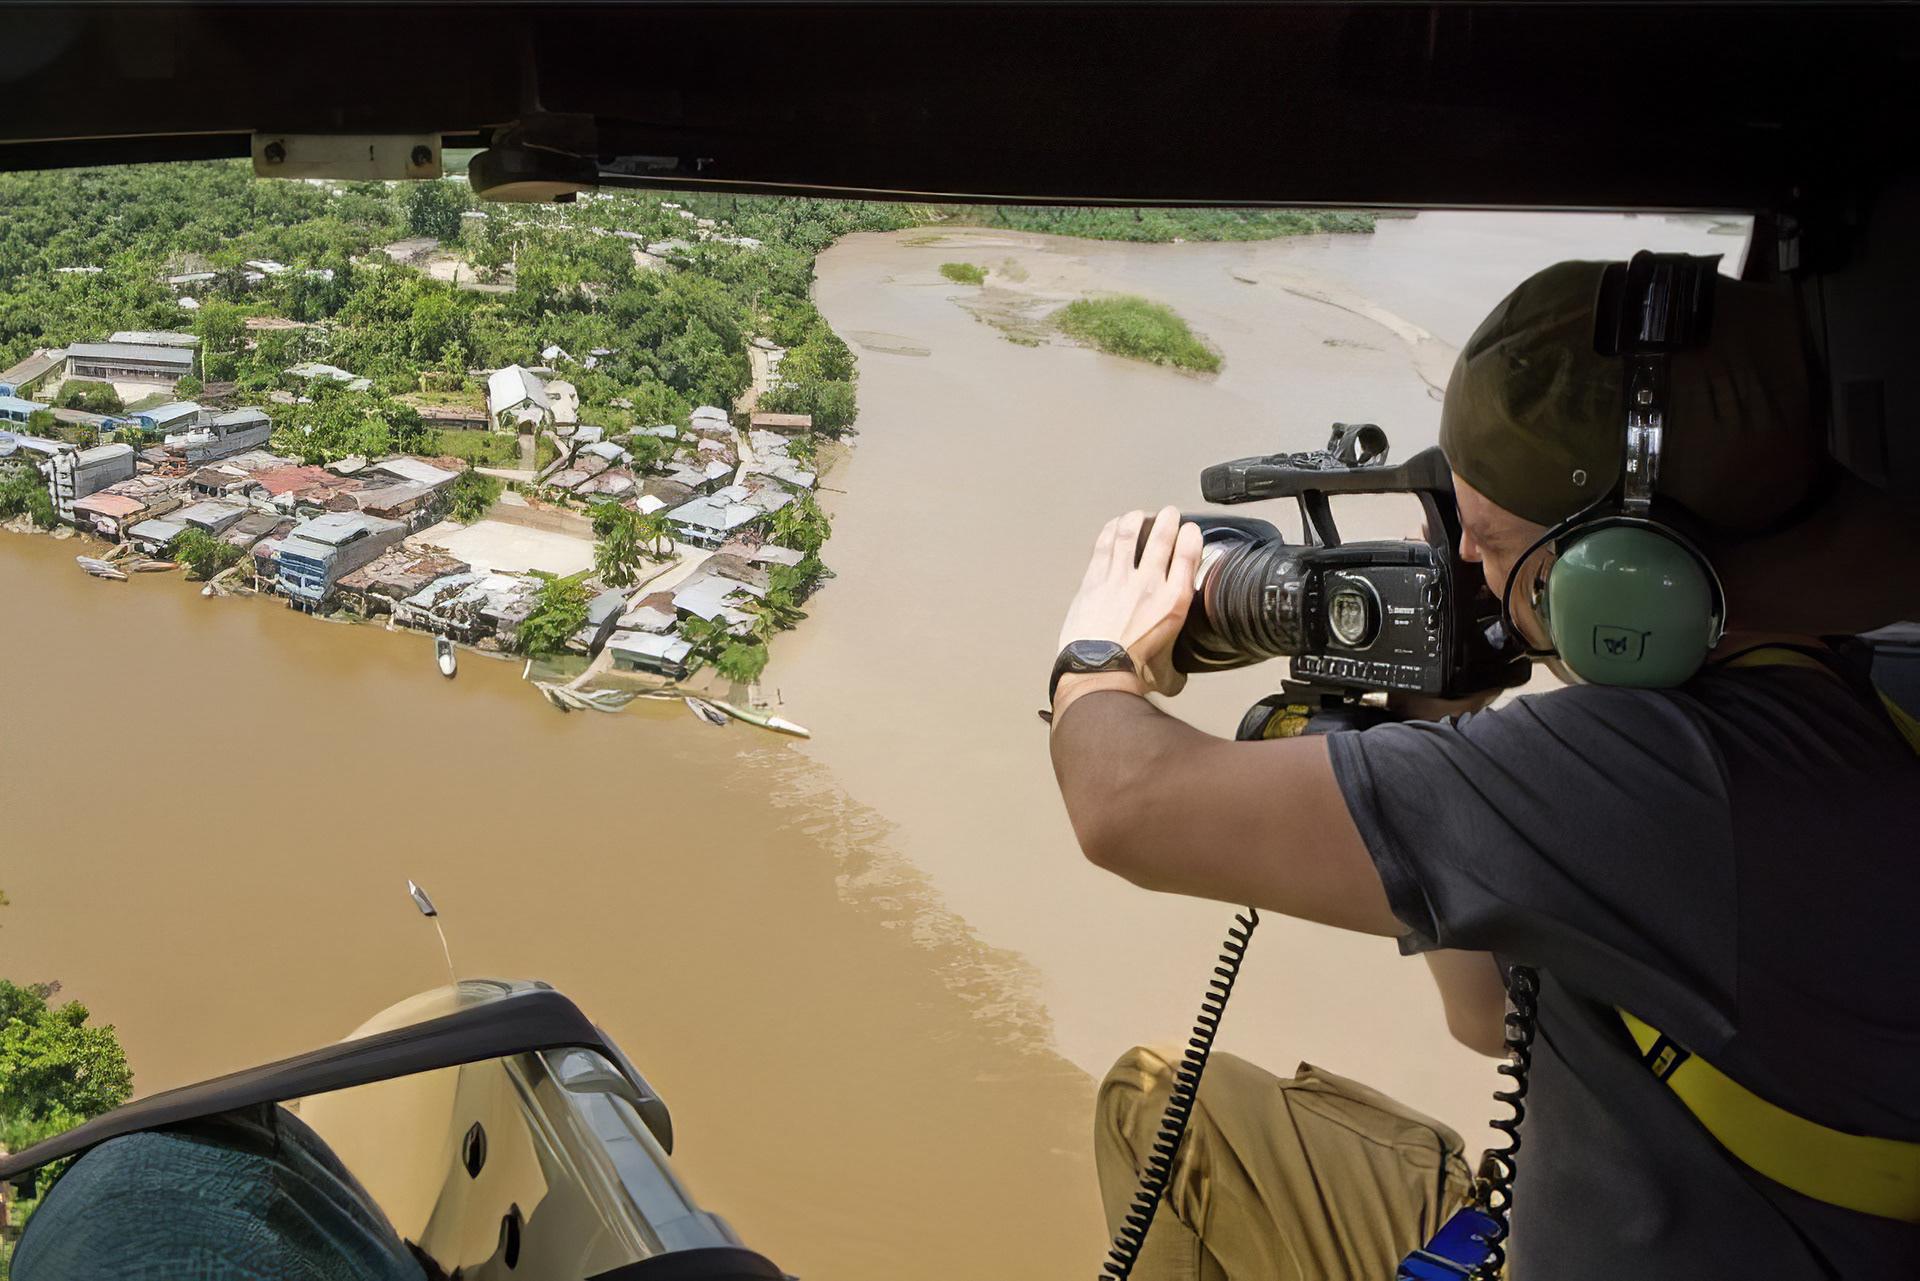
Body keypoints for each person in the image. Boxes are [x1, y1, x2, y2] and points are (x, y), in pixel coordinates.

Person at [1049, 260, 1920, 1279]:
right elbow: (1483, 1020)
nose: (1471, 568)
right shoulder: (1881, 679)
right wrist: (1435, 731)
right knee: (1178, 1106)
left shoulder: (1657, 776)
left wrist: (1095, 662)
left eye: (1497, 545)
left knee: (1154, 1115)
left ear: (1621, 583)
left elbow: (1123, 804)